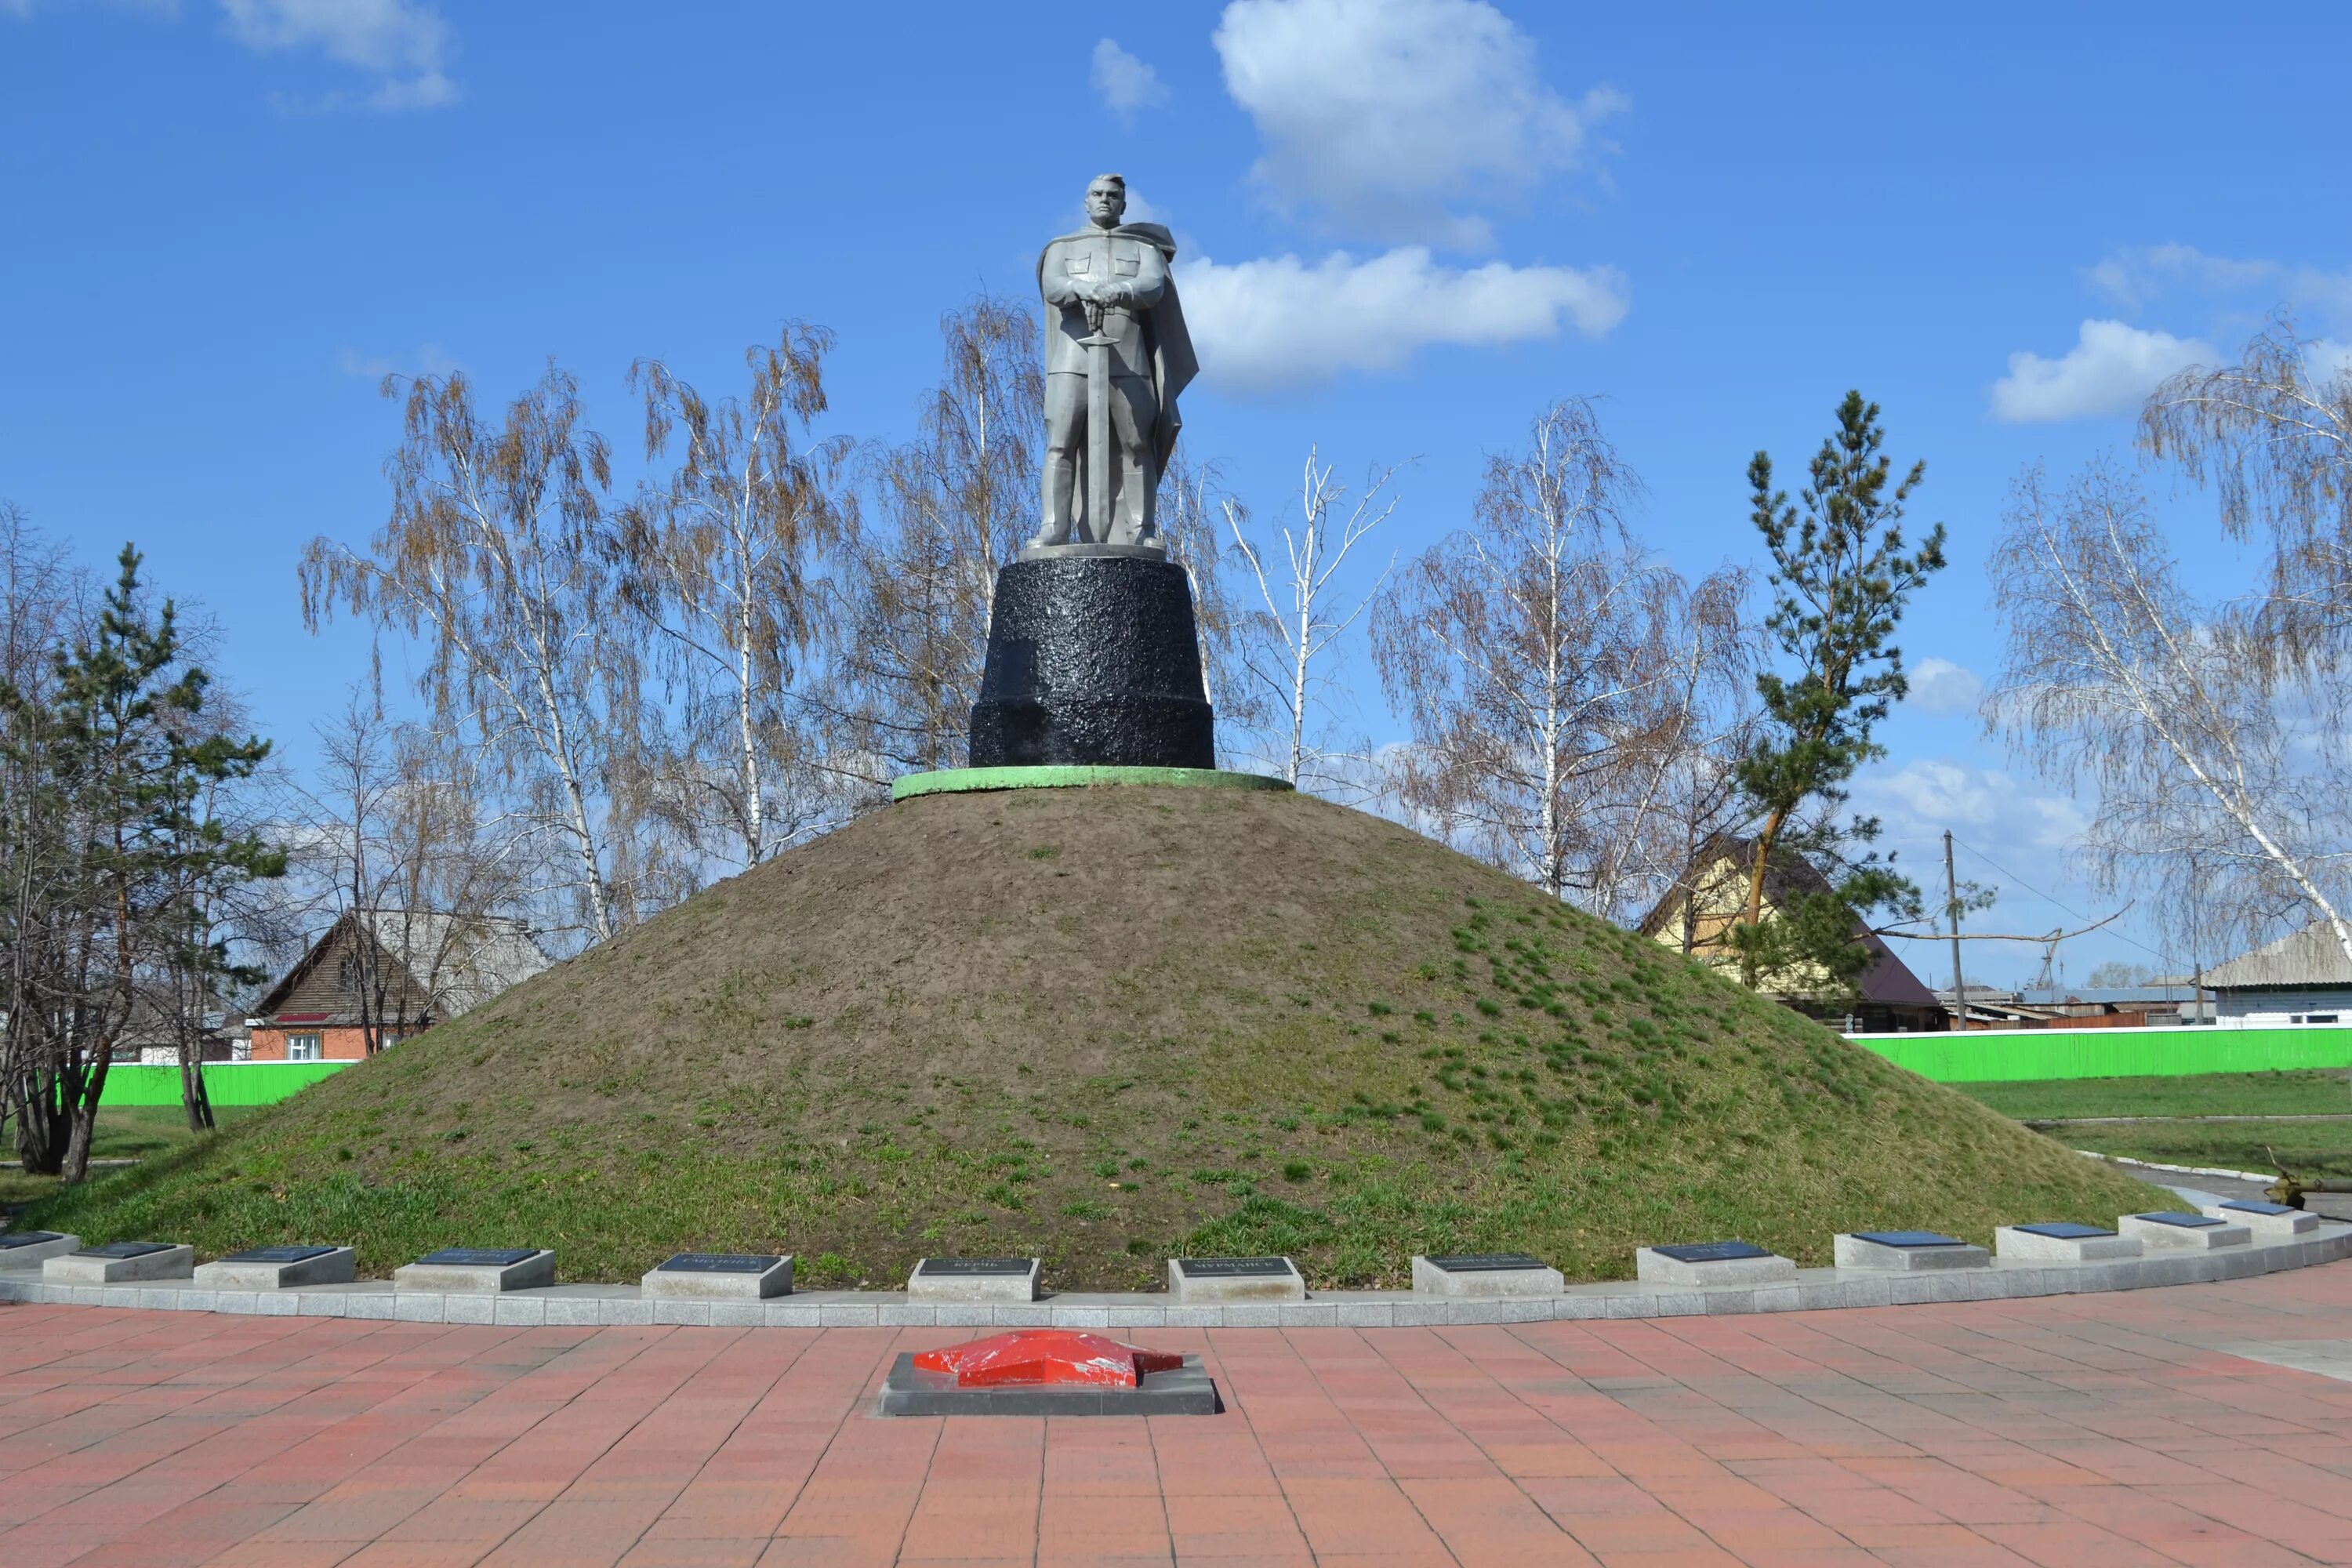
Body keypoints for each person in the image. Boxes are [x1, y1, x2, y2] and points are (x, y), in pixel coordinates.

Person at [1032, 173, 1197, 548]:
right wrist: (1084, 289)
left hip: (1128, 356)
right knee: (1060, 443)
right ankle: (1054, 528)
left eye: (1113, 195)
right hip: (1073, 356)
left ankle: (1143, 529)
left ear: (1124, 204)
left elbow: (1153, 285)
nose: (1105, 200)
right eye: (1097, 194)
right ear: (1086, 202)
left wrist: (1118, 290)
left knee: (1137, 445)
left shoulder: (1144, 248)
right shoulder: (1062, 247)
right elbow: (1053, 285)